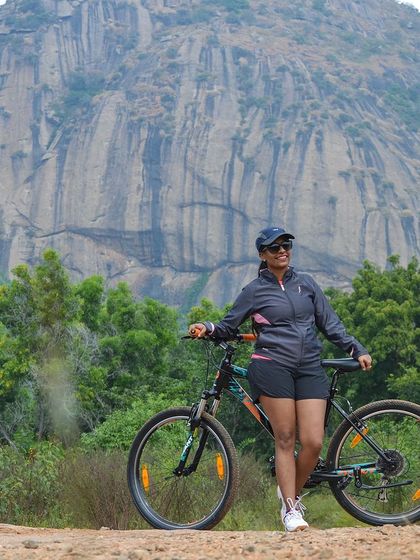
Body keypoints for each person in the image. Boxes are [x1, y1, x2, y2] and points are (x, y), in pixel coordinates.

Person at [188, 226, 372, 532]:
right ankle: (290, 510)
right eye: (274, 247)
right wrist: (206, 327)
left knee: (312, 442)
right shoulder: (254, 291)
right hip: (272, 366)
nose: (282, 250)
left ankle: (289, 492)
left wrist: (356, 348)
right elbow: (229, 324)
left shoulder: (307, 284)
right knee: (285, 438)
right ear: (263, 255)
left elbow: (330, 323)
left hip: (310, 366)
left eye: (286, 245)